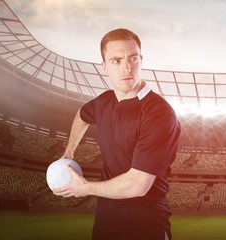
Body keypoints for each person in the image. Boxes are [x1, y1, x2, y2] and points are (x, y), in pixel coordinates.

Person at [53, 28, 181, 240]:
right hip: (105, 222)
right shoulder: (104, 101)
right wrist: (69, 152)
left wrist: (86, 188)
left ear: (141, 59)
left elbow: (138, 184)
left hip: (145, 224)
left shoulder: (159, 113)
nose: (126, 68)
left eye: (132, 58)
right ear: (103, 66)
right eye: (116, 60)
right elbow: (82, 115)